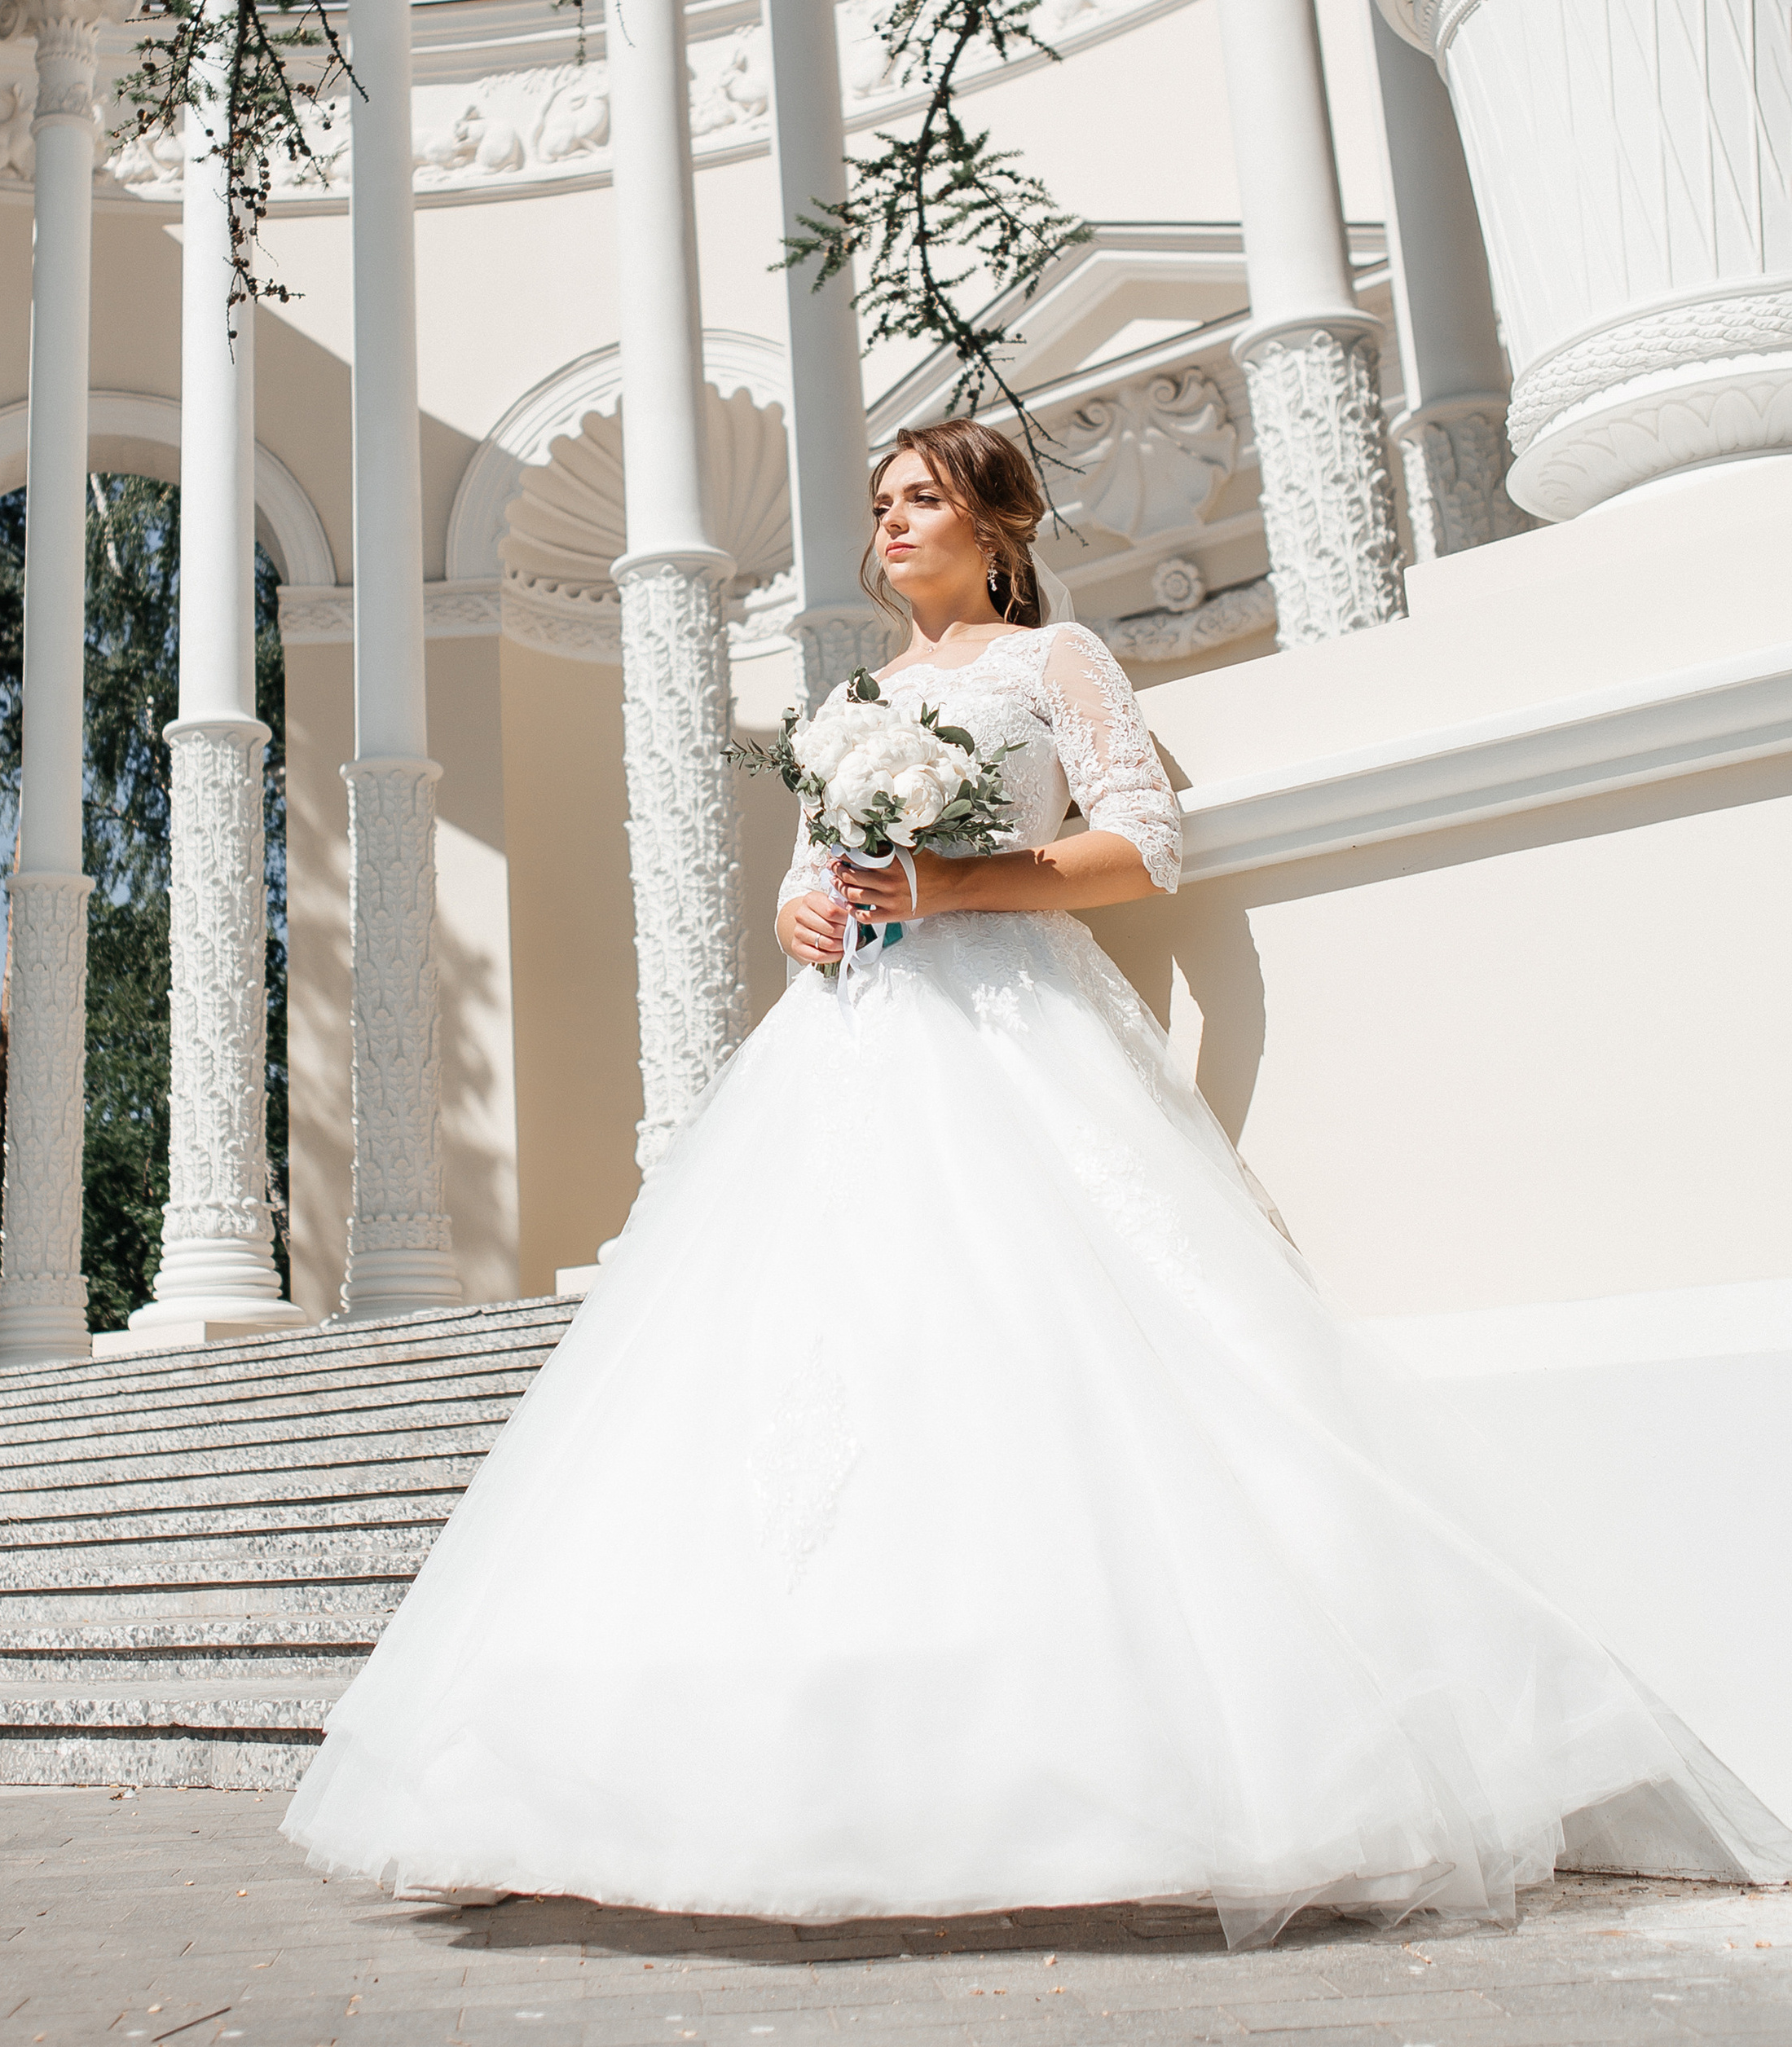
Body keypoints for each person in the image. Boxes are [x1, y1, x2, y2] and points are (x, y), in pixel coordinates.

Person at [284, 417, 1789, 1945]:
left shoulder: (1059, 663)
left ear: (998, 525)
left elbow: (1147, 842)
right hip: (849, 1042)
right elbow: (818, 867)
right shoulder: (856, 698)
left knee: (1048, 1346)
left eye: (920, 499)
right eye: (878, 504)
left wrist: (962, 883)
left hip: (1013, 1024)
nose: (890, 524)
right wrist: (806, 913)